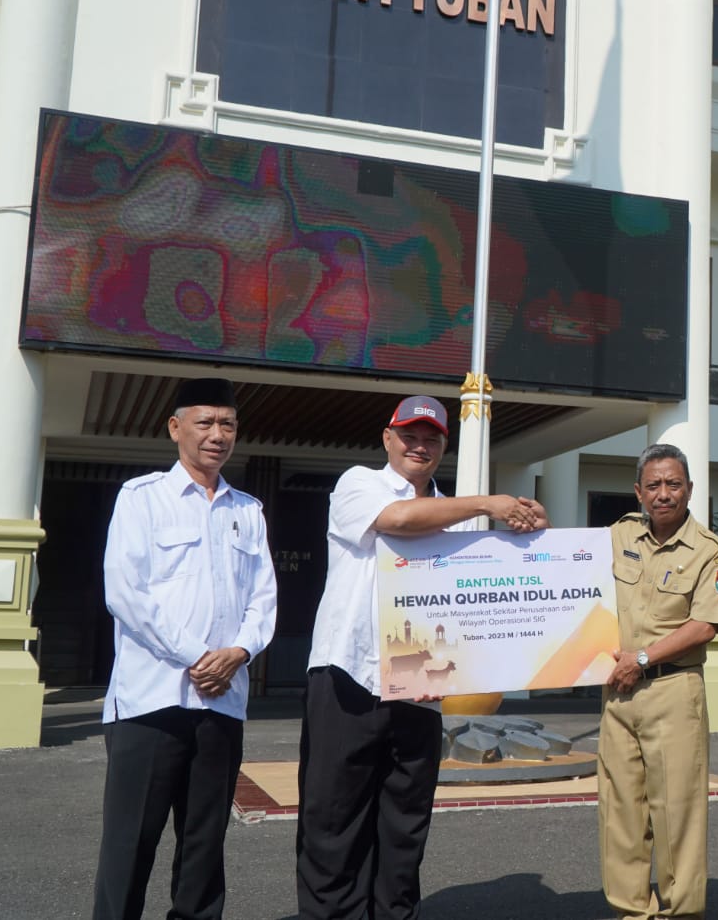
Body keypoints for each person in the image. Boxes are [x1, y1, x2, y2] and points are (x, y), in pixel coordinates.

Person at [296, 395, 547, 920]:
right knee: (334, 821)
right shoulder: (359, 484)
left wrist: (533, 536)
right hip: (349, 675)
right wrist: (490, 503)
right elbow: (399, 519)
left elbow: (470, 604)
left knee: (404, 825)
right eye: (409, 434)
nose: (419, 445)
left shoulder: (457, 518)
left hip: (422, 683)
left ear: (443, 448)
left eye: (431, 437)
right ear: (388, 439)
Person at [92, 377, 278, 920]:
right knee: (129, 846)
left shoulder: (249, 510)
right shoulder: (142, 499)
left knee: (204, 847)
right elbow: (126, 593)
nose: (217, 435)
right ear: (176, 427)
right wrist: (199, 656)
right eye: (205, 422)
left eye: (228, 425)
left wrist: (239, 651)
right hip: (151, 702)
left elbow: (263, 599)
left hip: (221, 704)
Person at [598, 443, 718, 920]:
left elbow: (705, 625)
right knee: (621, 817)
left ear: (690, 490)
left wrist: (642, 657)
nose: (663, 494)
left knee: (677, 817)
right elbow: (565, 568)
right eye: (653, 485)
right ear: (638, 491)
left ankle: (682, 913)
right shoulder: (619, 536)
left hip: (673, 691)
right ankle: (631, 912)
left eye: (673, 484)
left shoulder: (710, 552)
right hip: (618, 694)